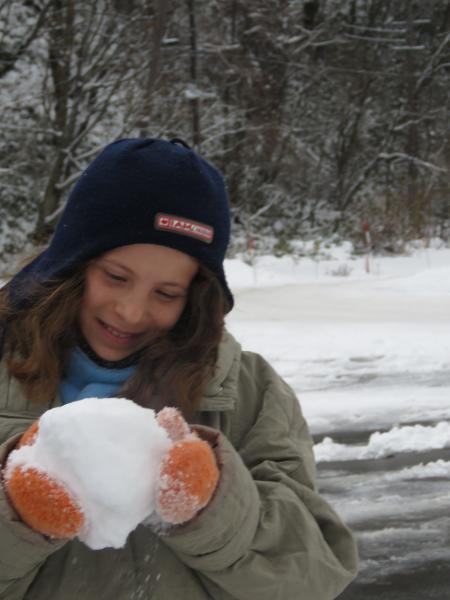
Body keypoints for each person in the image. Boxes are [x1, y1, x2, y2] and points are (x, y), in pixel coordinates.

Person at [0, 138, 358, 599]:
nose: (130, 311)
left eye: (166, 293)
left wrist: (214, 509)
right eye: (115, 276)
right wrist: (16, 517)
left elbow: (311, 577)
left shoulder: (251, 393)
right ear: (74, 263)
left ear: (196, 298)